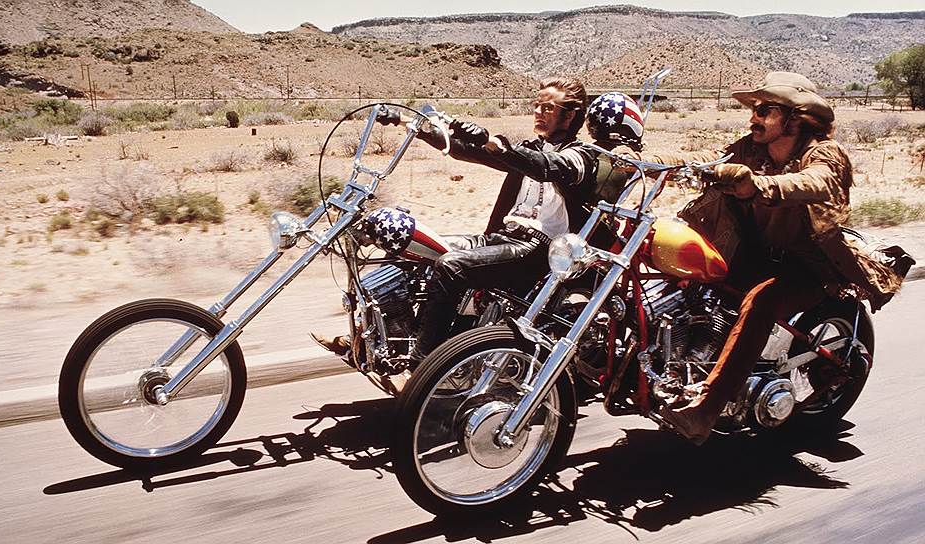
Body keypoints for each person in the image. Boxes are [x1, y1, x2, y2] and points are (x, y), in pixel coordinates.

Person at [655, 71, 905, 443]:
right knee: (686, 271)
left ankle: (706, 409)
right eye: (754, 110)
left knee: (762, 301)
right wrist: (649, 160)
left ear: (794, 118)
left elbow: (817, 181)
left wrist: (758, 184)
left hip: (808, 264)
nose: (753, 118)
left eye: (764, 111)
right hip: (754, 254)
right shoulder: (752, 149)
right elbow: (706, 159)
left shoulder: (824, 153)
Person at [313, 78, 632, 362]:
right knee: (415, 250)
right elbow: (466, 150)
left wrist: (495, 143)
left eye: (548, 108)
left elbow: (546, 167)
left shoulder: (581, 156)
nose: (538, 112)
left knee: (451, 266)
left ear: (571, 115)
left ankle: (424, 363)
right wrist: (411, 122)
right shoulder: (531, 147)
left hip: (538, 250)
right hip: (504, 237)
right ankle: (376, 339)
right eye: (537, 105)